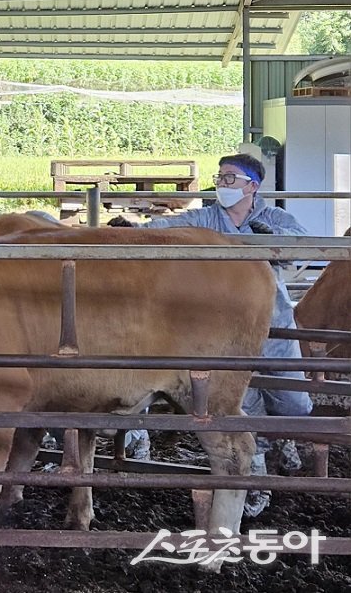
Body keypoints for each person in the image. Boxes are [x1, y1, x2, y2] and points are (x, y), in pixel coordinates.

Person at [108, 153, 312, 516]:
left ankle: (282, 436)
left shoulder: (274, 218)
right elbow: (171, 227)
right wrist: (134, 230)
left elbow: (304, 246)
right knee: (240, 401)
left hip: (274, 322)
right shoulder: (206, 217)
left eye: (231, 178)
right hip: (225, 327)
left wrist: (275, 242)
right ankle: (257, 475)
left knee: (294, 401)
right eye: (220, 178)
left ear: (253, 185)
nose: (222, 184)